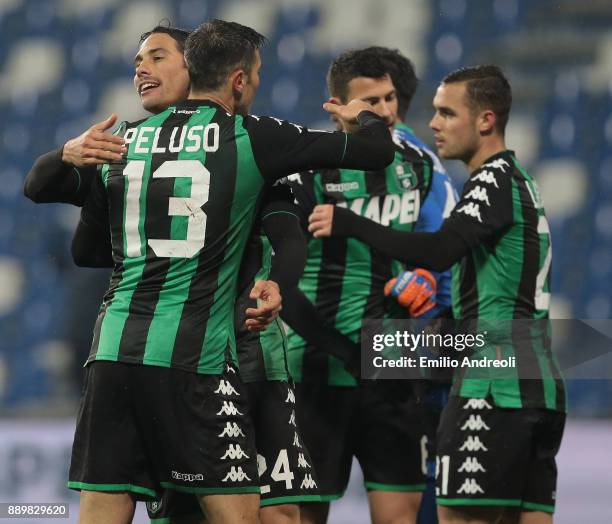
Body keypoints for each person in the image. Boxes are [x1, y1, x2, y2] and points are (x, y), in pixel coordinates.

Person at [64, 18, 395, 524]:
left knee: (105, 510)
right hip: (197, 360)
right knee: (240, 515)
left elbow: (80, 244)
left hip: (111, 353)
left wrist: (64, 158)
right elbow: (376, 153)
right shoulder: (253, 139)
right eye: (256, 74)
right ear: (240, 80)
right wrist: (362, 117)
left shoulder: (124, 143)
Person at [308, 65, 566, 524]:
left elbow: (439, 250)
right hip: (537, 383)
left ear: (485, 121)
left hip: (491, 385)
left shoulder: (490, 180)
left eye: (447, 113)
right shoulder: (521, 180)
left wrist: (350, 223)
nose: (433, 123)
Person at [282, 48, 445, 524]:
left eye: (391, 97)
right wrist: (342, 351)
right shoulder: (306, 169)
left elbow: (430, 250)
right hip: (315, 369)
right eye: (371, 102)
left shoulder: (419, 164)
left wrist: (423, 279)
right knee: (301, 514)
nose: (388, 111)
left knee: (400, 513)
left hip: (392, 366)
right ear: (337, 106)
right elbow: (279, 283)